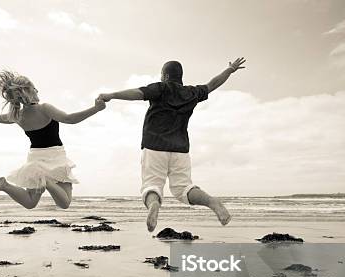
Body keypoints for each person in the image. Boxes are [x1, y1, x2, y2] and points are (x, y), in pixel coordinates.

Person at [98, 58, 246, 231]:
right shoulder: (191, 93)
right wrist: (229, 70)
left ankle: (154, 206)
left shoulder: (161, 88)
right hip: (180, 149)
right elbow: (212, 84)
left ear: (165, 75)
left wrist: (111, 95)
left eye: (162, 75)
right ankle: (212, 202)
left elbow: (137, 93)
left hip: (155, 145)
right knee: (183, 187)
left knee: (151, 185)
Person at [0, 70, 105, 209]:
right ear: (27, 90)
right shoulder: (44, 108)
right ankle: (45, 180)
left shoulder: (18, 116)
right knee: (65, 203)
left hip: (35, 159)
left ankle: (4, 185)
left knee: (30, 202)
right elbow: (69, 119)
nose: (37, 91)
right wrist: (96, 109)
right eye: (34, 88)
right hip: (55, 156)